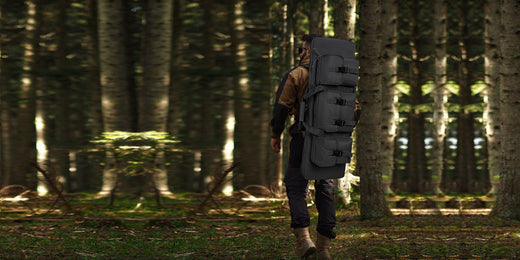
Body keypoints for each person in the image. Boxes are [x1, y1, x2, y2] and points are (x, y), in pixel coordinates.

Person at [270, 34, 334, 260]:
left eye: (301, 49)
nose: (300, 53)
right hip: (331, 140)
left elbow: (281, 108)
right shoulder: (340, 75)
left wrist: (275, 134)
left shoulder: (296, 74)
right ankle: (325, 248)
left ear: (308, 51)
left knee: (296, 186)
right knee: (325, 188)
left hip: (303, 136)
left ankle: (304, 240)